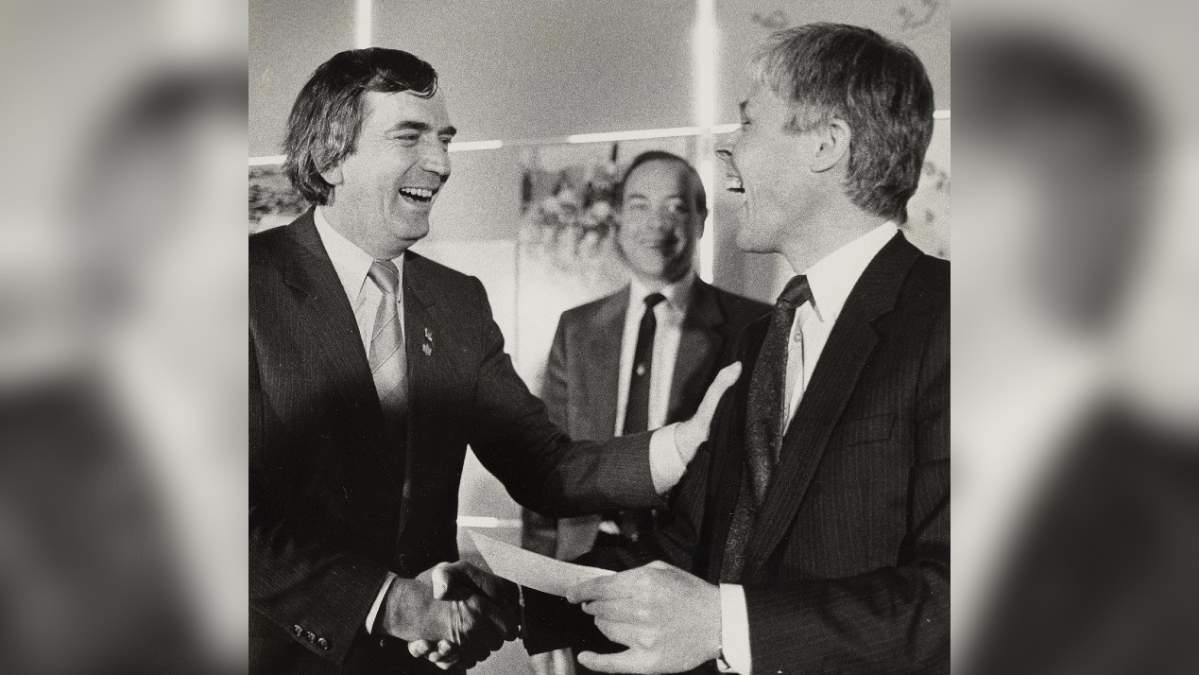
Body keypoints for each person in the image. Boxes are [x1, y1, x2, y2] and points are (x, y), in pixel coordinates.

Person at [249, 48, 739, 674]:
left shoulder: (457, 301)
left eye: (446, 140)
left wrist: (682, 445)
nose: (442, 163)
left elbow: (546, 468)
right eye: (411, 137)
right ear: (329, 156)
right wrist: (389, 603)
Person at [514, 23, 949, 674]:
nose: (725, 149)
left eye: (747, 123)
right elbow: (689, 544)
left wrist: (727, 623)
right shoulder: (760, 340)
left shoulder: (958, 318)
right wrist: (505, 596)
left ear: (825, 145)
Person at [522, 151, 768, 563]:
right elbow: (545, 464)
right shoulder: (577, 329)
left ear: (701, 220)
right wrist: (537, 579)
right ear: (617, 218)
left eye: (675, 207)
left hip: (691, 567)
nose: (657, 223)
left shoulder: (752, 327)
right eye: (639, 206)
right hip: (583, 558)